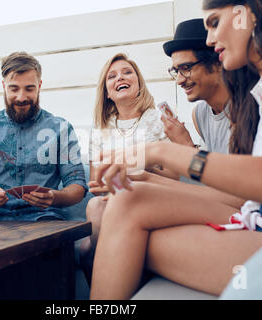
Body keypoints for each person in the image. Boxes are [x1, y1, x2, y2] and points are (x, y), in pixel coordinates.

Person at [89, 0, 262, 299]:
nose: (209, 39)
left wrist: (162, 151)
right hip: (261, 217)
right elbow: (248, 196)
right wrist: (146, 177)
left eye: (214, 23)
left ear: (249, 12)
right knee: (127, 204)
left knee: (125, 230)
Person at [80, 53, 170, 283]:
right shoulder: (101, 127)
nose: (120, 77)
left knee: (86, 248)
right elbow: (95, 184)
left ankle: (108, 279)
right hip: (113, 200)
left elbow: (174, 177)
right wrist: (114, 179)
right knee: (94, 205)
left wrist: (139, 168)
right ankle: (109, 279)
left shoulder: (159, 119)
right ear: (107, 92)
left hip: (150, 196)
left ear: (138, 82)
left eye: (127, 72)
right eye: (112, 76)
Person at [0, 51, 87, 222]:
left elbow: (77, 187)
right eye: (14, 88)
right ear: (3, 86)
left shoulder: (61, 128)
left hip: (45, 219)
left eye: (29, 88)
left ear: (39, 86)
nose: (21, 97)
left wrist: (54, 197)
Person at [163, 18, 232, 154]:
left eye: (186, 68)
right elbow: (212, 169)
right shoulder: (199, 114)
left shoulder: (250, 107)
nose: (179, 81)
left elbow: (233, 174)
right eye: (176, 71)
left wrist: (186, 146)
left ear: (217, 63)